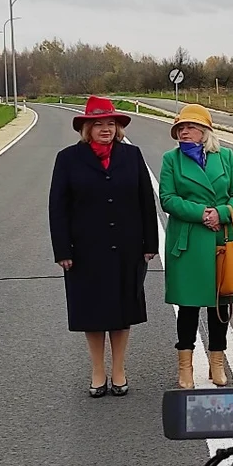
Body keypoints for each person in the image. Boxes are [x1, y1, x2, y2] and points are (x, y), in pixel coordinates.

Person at [48, 96, 159, 398]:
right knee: (92, 311)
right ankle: (98, 370)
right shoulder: (68, 159)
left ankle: (119, 369)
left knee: (123, 310)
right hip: (86, 250)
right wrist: (63, 250)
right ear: (86, 128)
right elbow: (58, 207)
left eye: (110, 123)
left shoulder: (132, 156)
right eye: (98, 124)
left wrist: (150, 243)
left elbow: (146, 202)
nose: (105, 129)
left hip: (127, 247)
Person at [159, 104, 233, 389]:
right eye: (180, 128)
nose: (184, 132)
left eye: (190, 127)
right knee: (188, 306)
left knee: (219, 306)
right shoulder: (171, 159)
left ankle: (217, 362)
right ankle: (185, 365)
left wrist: (220, 214)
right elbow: (167, 198)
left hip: (220, 239)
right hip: (187, 241)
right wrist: (201, 213)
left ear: (205, 131)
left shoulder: (225, 157)